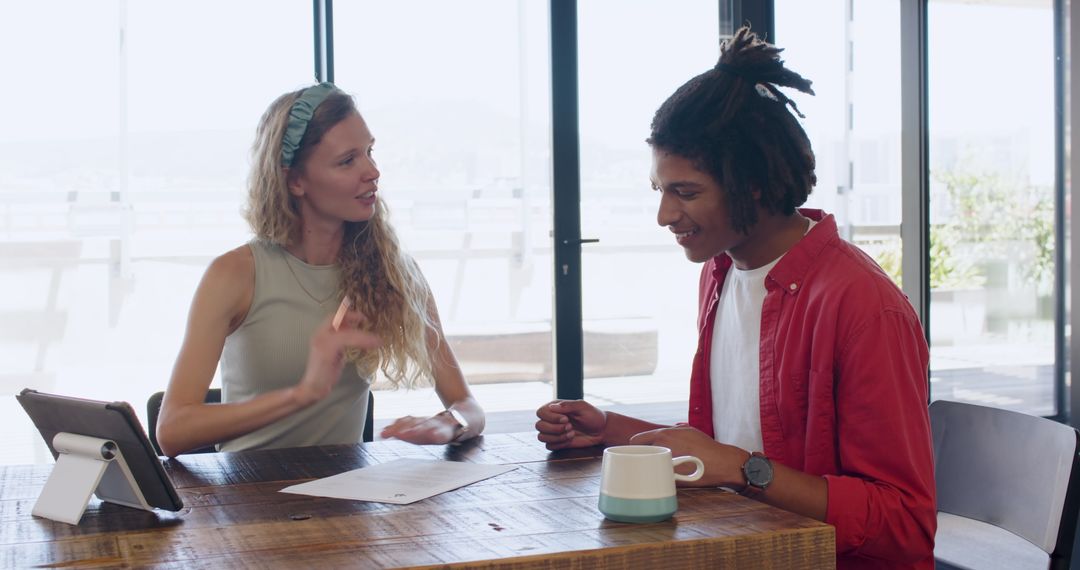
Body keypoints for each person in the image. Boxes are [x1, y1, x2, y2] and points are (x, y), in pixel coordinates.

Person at [535, 27, 935, 568]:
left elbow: (904, 525)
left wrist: (744, 470)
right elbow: (723, 443)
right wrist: (609, 429)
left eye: (687, 192)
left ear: (752, 184)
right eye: (661, 190)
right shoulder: (721, 272)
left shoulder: (864, 307)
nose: (665, 215)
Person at [157, 82, 484, 456]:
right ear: (295, 181)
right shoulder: (234, 274)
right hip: (247, 499)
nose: (372, 171)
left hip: (345, 502)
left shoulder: (394, 272)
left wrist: (449, 424)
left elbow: (468, 407)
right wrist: (303, 394)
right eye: (348, 161)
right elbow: (172, 430)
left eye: (369, 152)